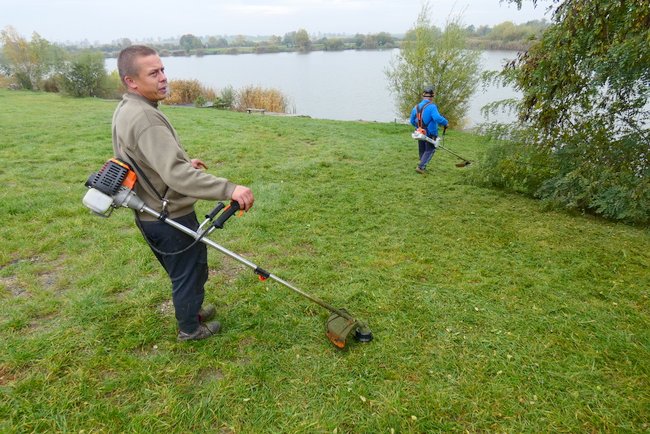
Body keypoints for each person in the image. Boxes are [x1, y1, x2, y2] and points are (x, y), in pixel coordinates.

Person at [111, 45, 255, 342]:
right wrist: (229, 189)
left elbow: (144, 159)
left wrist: (181, 163)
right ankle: (190, 329)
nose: (163, 77)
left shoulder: (129, 108)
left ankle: (194, 310)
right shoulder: (146, 118)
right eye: (154, 73)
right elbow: (177, 176)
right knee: (188, 274)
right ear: (131, 81)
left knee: (189, 269)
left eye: (162, 69)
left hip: (150, 212)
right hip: (167, 215)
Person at [409, 86, 448, 174]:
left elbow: (411, 121)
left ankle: (422, 162)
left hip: (419, 132)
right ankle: (421, 167)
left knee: (422, 149)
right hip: (430, 132)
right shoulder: (432, 106)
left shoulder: (416, 107)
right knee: (430, 149)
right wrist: (445, 122)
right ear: (432, 97)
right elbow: (437, 118)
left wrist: (418, 127)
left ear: (423, 96)